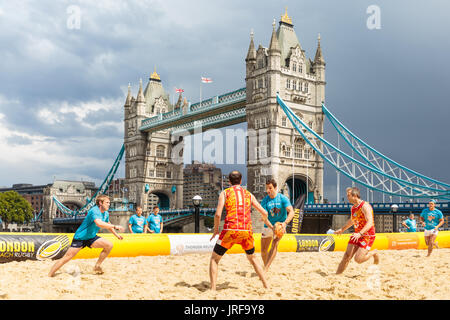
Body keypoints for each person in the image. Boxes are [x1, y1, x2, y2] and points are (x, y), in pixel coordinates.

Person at [209, 171, 274, 291]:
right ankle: (266, 286)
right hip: (246, 230)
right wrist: (264, 219)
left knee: (214, 259)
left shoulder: (225, 193)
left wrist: (216, 230)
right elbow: (264, 212)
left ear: (229, 181)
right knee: (253, 259)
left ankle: (213, 289)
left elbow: (218, 215)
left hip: (230, 230)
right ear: (241, 180)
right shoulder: (248, 194)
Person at [48, 195, 124, 277]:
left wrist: (116, 235)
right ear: (100, 203)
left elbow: (108, 224)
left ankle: (97, 266)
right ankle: (49, 275)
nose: (109, 204)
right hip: (80, 237)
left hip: (91, 237)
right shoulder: (94, 211)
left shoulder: (105, 213)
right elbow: (99, 223)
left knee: (109, 245)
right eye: (107, 202)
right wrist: (115, 226)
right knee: (67, 257)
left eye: (109, 202)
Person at [335, 187, 379, 274]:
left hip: (367, 236)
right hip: (357, 234)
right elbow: (352, 220)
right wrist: (342, 229)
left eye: (348, 195)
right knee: (347, 256)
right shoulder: (353, 208)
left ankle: (374, 252)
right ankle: (337, 275)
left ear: (354, 196)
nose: (347, 197)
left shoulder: (365, 206)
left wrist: (360, 233)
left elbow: (370, 222)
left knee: (358, 259)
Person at [260, 178, 294, 272]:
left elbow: (291, 212)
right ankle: (266, 265)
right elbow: (264, 218)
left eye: (270, 188)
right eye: (267, 188)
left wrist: (285, 223)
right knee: (263, 251)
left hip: (280, 225)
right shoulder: (265, 201)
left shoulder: (282, 198)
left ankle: (265, 269)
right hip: (269, 226)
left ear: (275, 188)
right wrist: (272, 227)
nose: (268, 190)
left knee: (275, 243)